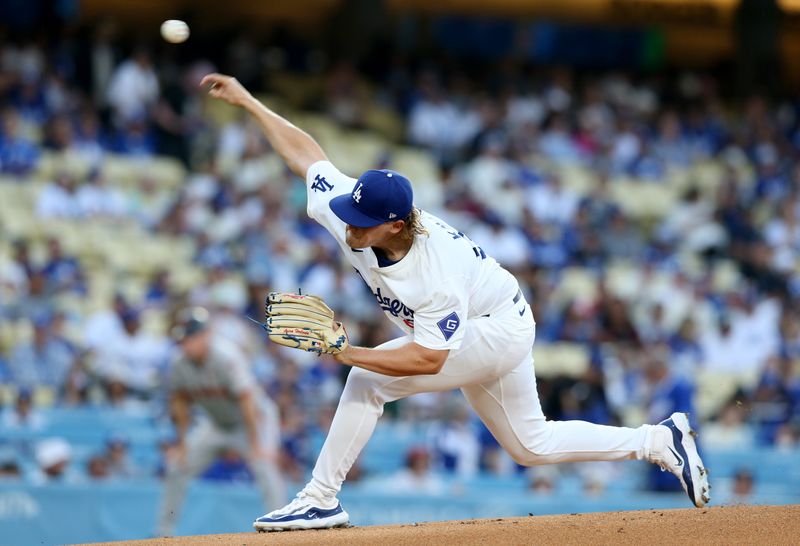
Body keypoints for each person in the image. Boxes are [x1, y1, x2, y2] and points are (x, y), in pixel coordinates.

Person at [200, 73, 710, 533]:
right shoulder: (353, 212)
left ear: (395, 225)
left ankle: (320, 498)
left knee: (367, 378)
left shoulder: (434, 274)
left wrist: (346, 353)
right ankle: (657, 441)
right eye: (348, 214)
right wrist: (249, 102)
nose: (346, 224)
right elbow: (308, 156)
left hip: (494, 327)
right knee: (530, 445)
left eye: (361, 221)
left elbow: (429, 358)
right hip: (494, 318)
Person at [156, 307, 285, 536]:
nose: (185, 344)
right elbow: (179, 402)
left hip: (254, 420)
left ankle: (281, 530)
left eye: (190, 338)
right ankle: (163, 532)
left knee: (264, 466)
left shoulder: (226, 355)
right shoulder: (179, 363)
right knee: (177, 467)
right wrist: (182, 444)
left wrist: (256, 445)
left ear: (205, 335)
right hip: (216, 424)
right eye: (183, 339)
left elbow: (247, 402)